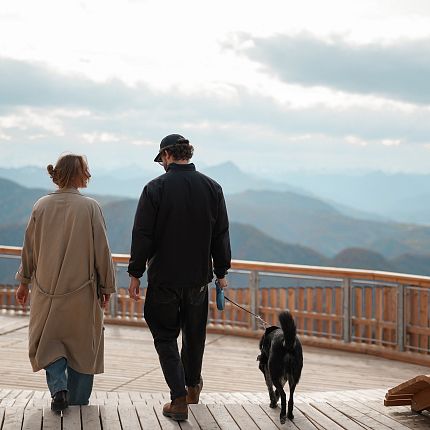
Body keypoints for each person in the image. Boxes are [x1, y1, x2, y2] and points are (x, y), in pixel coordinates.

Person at [128, 134, 231, 421]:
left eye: (161, 159)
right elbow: (221, 235)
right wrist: (221, 273)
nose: (161, 164)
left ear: (168, 155)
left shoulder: (154, 188)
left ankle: (178, 398)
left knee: (164, 336)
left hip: (164, 279)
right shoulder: (213, 188)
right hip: (198, 280)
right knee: (195, 335)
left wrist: (136, 273)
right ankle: (193, 386)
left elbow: (142, 234)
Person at [15, 154, 116, 412]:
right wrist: (106, 286)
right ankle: (79, 401)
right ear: (78, 174)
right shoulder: (90, 207)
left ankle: (59, 388)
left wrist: (24, 282)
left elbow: (30, 248)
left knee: (49, 342)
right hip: (82, 292)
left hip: (46, 290)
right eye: (86, 169)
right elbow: (102, 251)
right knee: (82, 347)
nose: (89, 173)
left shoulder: (41, 205)